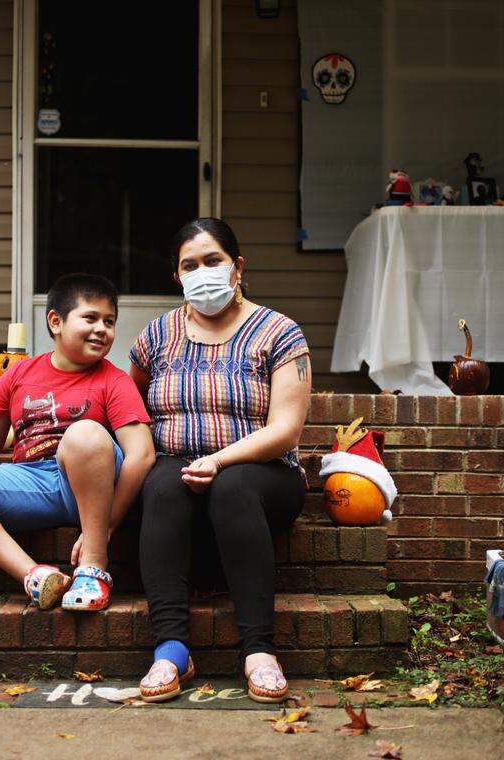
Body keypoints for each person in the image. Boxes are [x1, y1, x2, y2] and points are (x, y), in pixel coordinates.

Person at [129, 218, 312, 703]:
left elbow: (284, 431)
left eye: (213, 260)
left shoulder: (279, 332)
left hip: (265, 474)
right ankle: (171, 650)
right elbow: (132, 409)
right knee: (161, 485)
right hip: (177, 463)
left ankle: (259, 650)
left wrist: (219, 460)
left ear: (237, 267)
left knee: (233, 486)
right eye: (190, 265)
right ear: (177, 277)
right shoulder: (156, 335)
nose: (202, 272)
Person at [0, 274, 154, 612]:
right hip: (33, 483)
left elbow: (141, 454)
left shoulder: (114, 381)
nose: (102, 329)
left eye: (109, 321)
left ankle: (93, 567)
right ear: (56, 321)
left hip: (90, 485)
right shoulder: (17, 375)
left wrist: (109, 523)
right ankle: (35, 577)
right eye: (90, 318)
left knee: (84, 433)